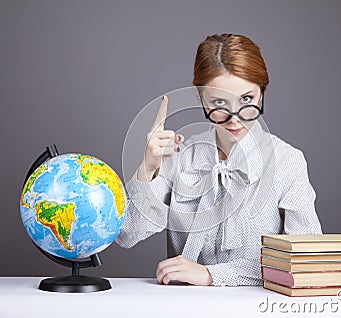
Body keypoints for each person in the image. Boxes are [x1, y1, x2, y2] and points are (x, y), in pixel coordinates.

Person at [115, 33, 322, 286]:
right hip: (183, 306)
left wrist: (212, 275)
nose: (234, 118)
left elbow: (305, 259)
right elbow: (126, 235)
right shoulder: (179, 155)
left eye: (246, 100)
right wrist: (148, 168)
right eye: (219, 103)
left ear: (262, 93)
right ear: (200, 97)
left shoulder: (287, 161)